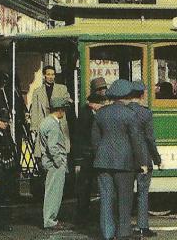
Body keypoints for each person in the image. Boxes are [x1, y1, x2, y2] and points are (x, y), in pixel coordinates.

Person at [92, 79, 148, 240]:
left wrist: (101, 156)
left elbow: (95, 140)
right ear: (127, 96)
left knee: (106, 198)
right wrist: (142, 162)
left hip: (103, 162)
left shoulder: (100, 113)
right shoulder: (130, 115)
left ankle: (107, 234)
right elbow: (136, 141)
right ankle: (124, 232)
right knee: (125, 198)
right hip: (125, 163)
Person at [128, 81, 162, 237]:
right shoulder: (145, 113)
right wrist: (157, 159)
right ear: (142, 95)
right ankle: (143, 226)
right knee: (143, 193)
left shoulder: (123, 111)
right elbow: (150, 139)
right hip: (143, 158)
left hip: (126, 158)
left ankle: (123, 225)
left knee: (125, 192)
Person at [73, 78, 107, 224]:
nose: (103, 91)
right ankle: (83, 216)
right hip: (88, 155)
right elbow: (80, 135)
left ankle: (88, 215)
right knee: (86, 187)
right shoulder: (87, 112)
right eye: (101, 89)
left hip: (94, 154)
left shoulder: (96, 111)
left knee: (93, 186)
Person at [39, 94, 72, 230]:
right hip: (54, 164)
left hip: (49, 162)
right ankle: (50, 220)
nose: (64, 112)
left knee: (51, 192)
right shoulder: (52, 125)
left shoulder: (45, 122)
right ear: (60, 109)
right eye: (64, 108)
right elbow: (53, 147)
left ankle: (50, 219)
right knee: (54, 193)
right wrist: (60, 163)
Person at [30, 65, 72, 163]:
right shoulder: (37, 92)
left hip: (59, 123)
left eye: (53, 74)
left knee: (59, 150)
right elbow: (35, 111)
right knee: (44, 151)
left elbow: (68, 101)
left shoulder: (62, 88)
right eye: (48, 74)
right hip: (44, 123)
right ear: (44, 75)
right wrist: (34, 127)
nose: (51, 77)